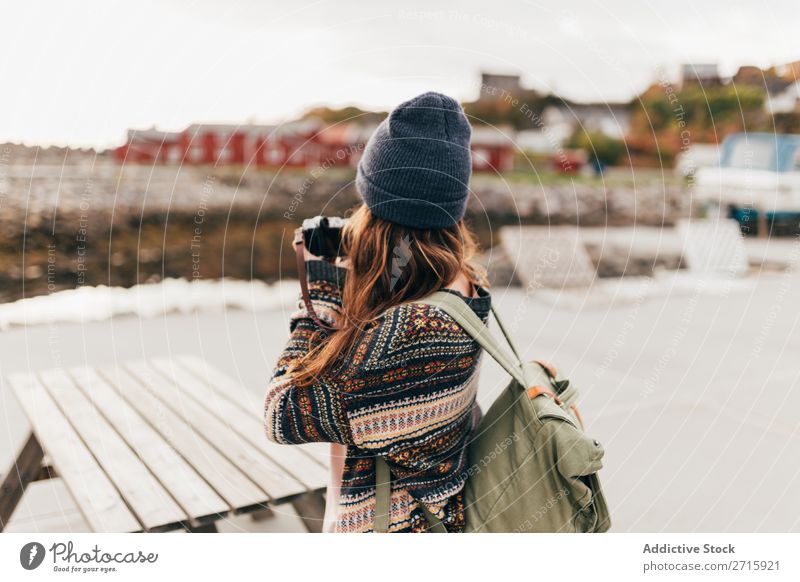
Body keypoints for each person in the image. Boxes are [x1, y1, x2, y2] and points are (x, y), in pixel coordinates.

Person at [264, 92, 491, 533]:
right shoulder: (467, 287)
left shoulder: (408, 332)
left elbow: (281, 412)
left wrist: (324, 294)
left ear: (377, 213)